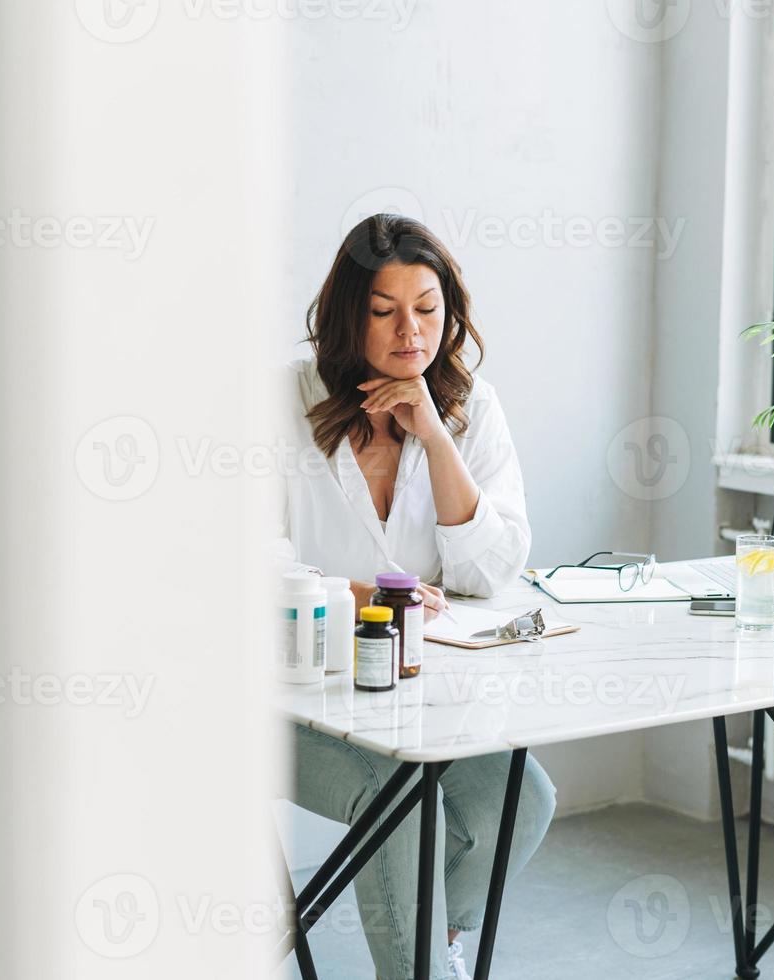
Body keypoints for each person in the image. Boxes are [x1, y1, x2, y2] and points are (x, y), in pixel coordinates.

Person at [282, 214, 556, 980]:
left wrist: (434, 437)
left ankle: (437, 951)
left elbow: (491, 569)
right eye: (384, 310)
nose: (411, 331)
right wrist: (356, 593)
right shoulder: (279, 400)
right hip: (294, 695)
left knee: (521, 802)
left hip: (411, 694)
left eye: (428, 308)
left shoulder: (473, 411)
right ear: (349, 315)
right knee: (400, 795)